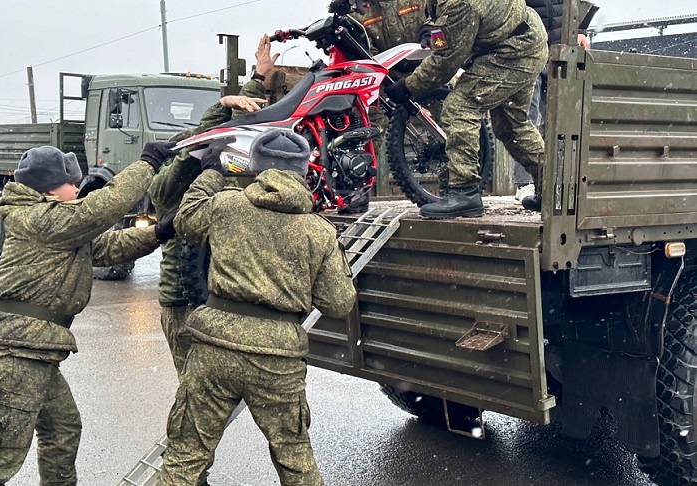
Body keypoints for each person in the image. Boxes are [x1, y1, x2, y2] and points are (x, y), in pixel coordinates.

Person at [0, 142, 176, 485]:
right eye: (71, 182)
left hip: (31, 350)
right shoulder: (40, 218)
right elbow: (101, 209)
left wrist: (159, 232)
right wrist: (147, 164)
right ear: (49, 187)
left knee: (62, 430)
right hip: (13, 352)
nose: (77, 189)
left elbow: (107, 247)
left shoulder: (57, 224)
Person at [158, 128, 357, 486]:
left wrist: (210, 173)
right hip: (277, 359)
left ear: (255, 166)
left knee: (185, 457)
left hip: (214, 349)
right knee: (294, 458)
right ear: (302, 170)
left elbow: (185, 220)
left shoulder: (227, 206)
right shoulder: (318, 230)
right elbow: (338, 303)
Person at [150, 34, 277, 376]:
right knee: (194, 389)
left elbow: (230, 122)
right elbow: (198, 146)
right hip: (183, 303)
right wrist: (221, 110)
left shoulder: (211, 174)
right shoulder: (169, 179)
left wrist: (259, 78)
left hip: (216, 300)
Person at [386, 0, 549, 218]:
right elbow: (441, 22)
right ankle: (552, 188)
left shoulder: (459, 3)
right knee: (511, 125)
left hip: (514, 49)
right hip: (524, 39)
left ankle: (465, 193)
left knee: (460, 107)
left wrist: (408, 86)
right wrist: (430, 27)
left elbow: (445, 63)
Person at [513, 0, 591, 205]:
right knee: (525, 117)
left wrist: (580, 29)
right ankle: (525, 183)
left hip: (561, 49)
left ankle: (554, 182)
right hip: (526, 48)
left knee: (557, 120)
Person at [350, 1, 429, 204]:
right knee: (367, 127)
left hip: (427, 68)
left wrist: (431, 30)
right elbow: (363, 48)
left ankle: (456, 188)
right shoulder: (358, 8)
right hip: (385, 75)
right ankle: (357, 189)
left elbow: (441, 14)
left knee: (449, 122)